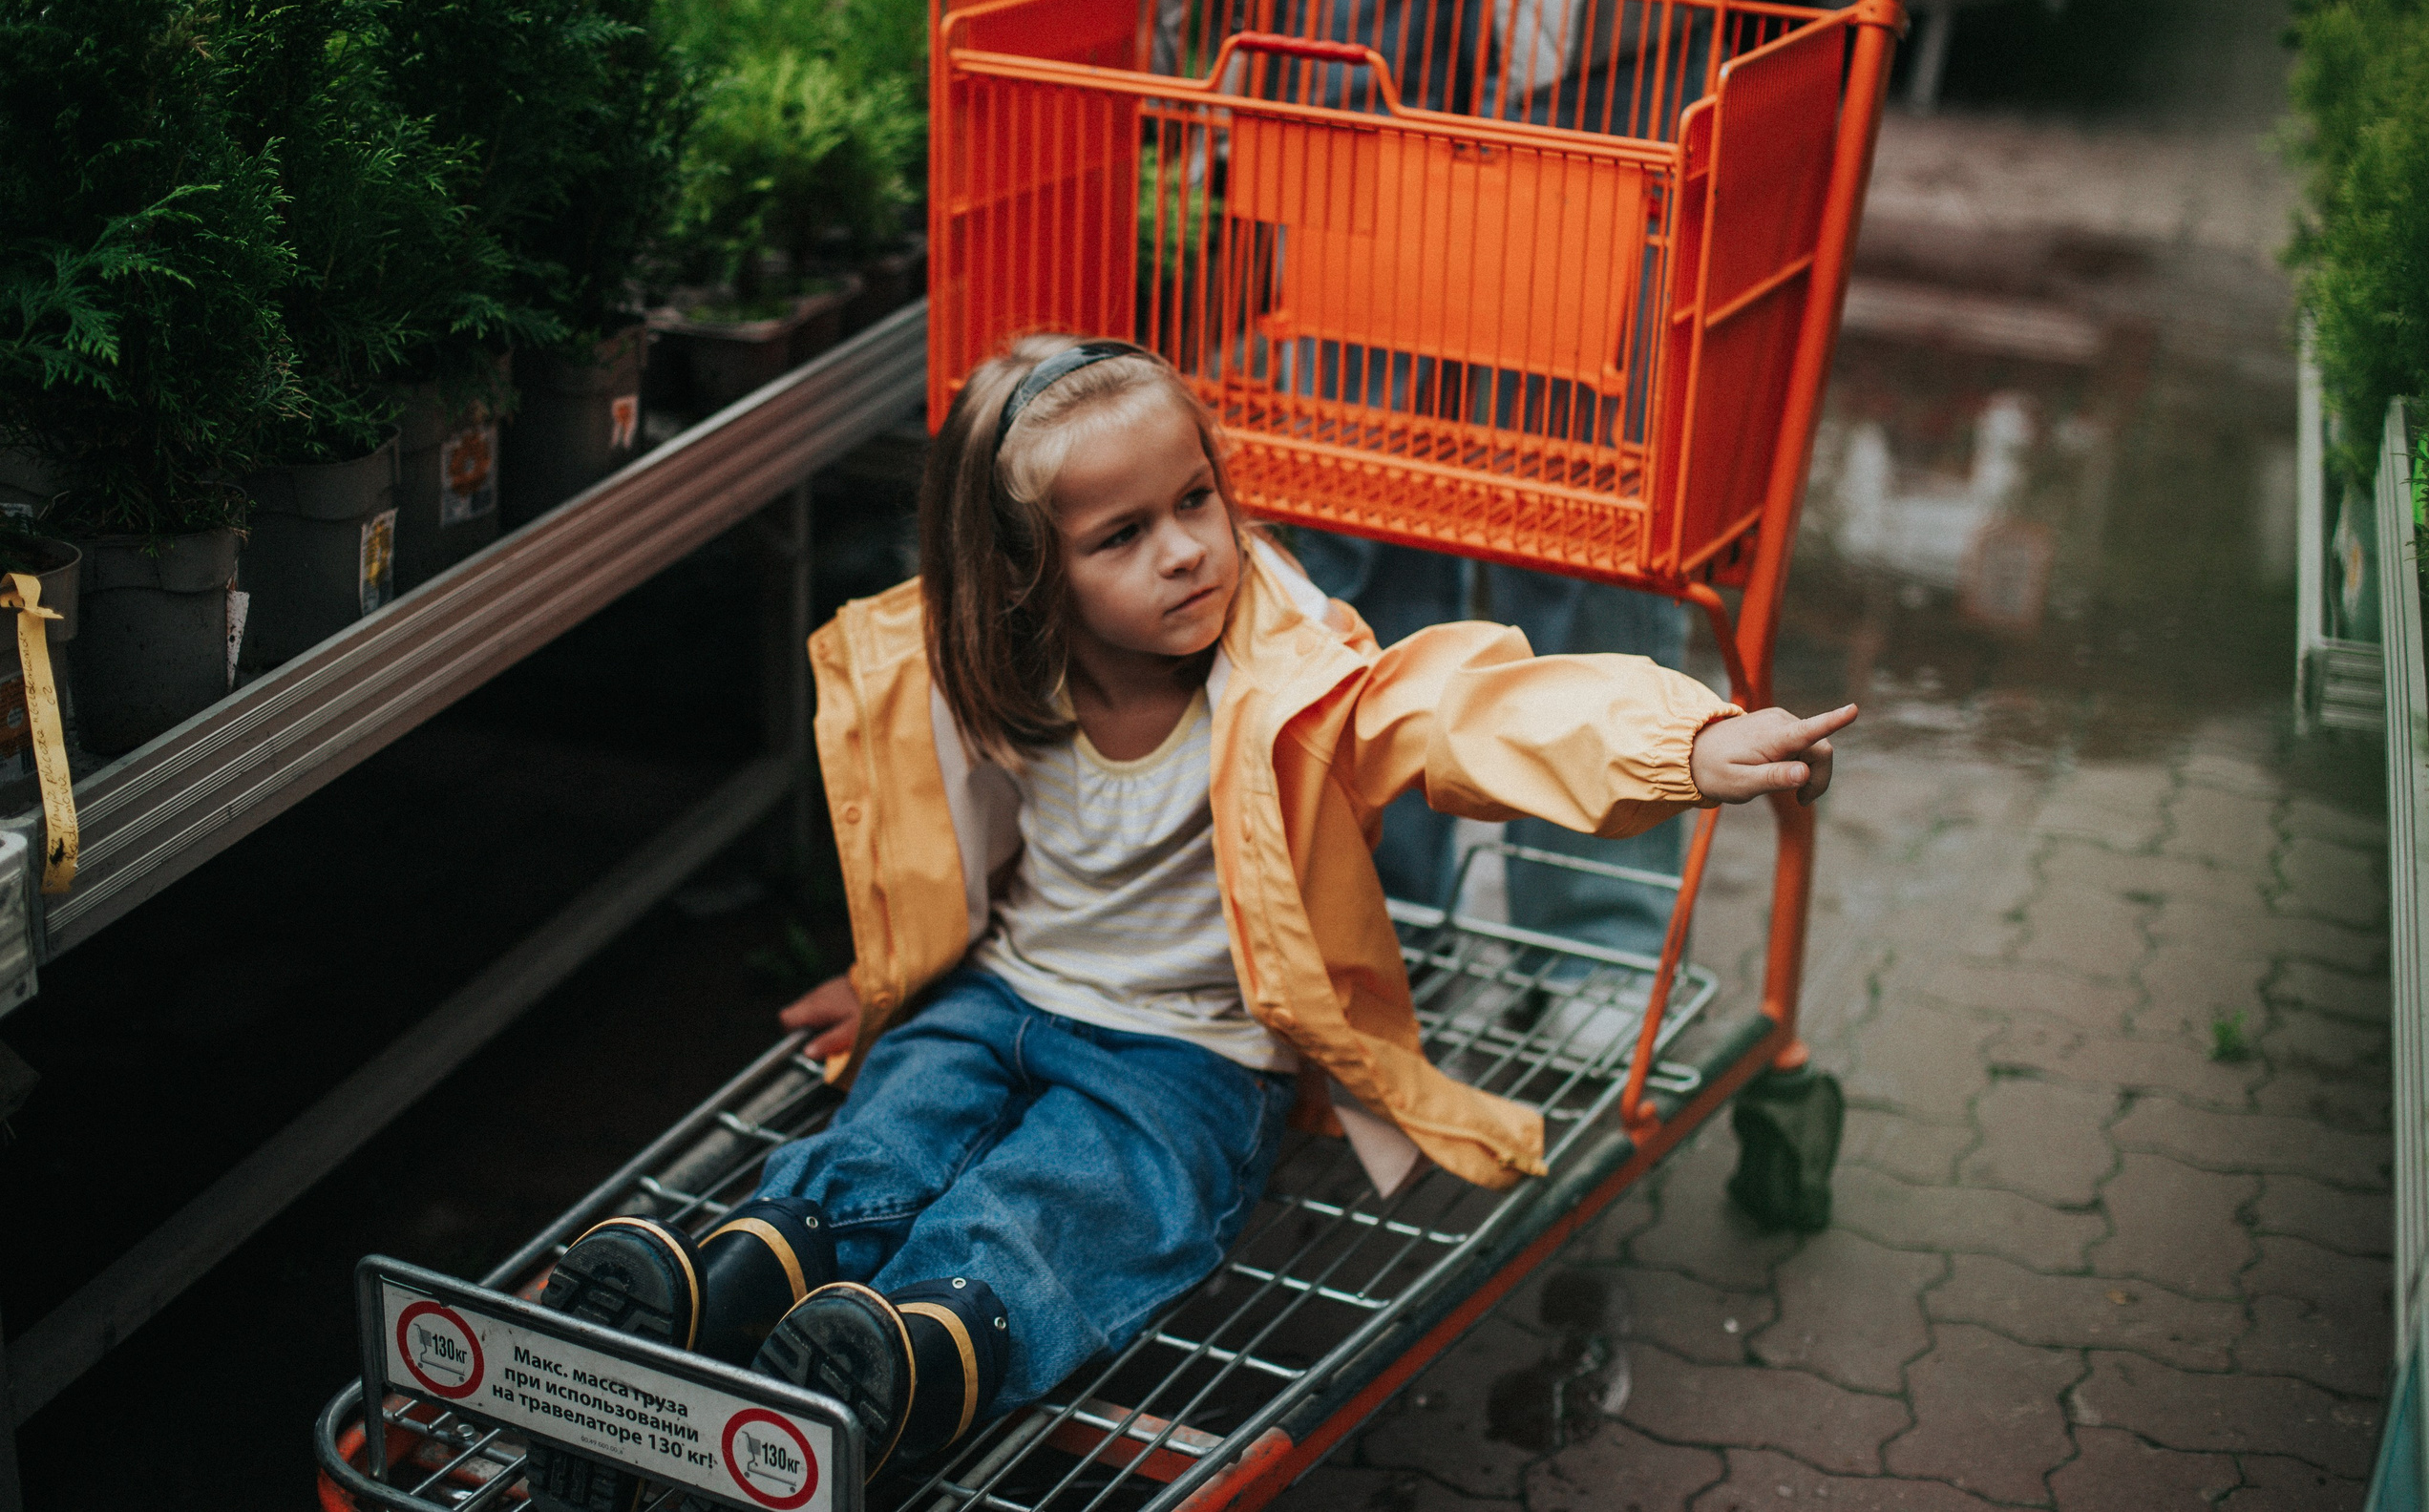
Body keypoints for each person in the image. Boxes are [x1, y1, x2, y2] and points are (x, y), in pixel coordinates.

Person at [526, 336, 1853, 1509]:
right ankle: (747, 1267)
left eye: (1196, 501)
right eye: (1121, 536)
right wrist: (885, 988)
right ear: (1032, 580)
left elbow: (1465, 710)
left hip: (1192, 1051)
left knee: (1085, 1193)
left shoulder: (1289, 682)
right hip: (1000, 995)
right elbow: (941, 865)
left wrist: (1691, 741)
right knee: (899, 1117)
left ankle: (923, 1339)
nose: (1185, 550)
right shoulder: (985, 676)